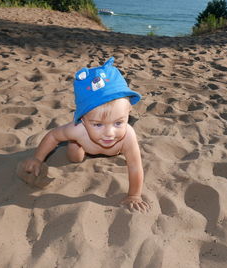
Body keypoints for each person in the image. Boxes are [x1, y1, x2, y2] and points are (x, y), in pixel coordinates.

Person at [21, 57, 150, 212]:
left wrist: (134, 195)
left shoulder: (128, 136)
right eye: (98, 124)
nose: (110, 133)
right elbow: (53, 136)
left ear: (129, 112)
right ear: (83, 119)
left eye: (118, 123)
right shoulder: (77, 129)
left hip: (115, 150)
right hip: (85, 144)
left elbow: (135, 167)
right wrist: (37, 158)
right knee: (75, 157)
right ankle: (75, 144)